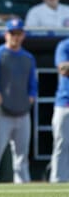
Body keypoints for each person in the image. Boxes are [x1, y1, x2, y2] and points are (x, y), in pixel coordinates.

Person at [0, 18, 38, 184]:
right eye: (12, 33)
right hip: (0, 113)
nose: (16, 37)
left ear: (23, 35)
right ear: (6, 34)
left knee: (22, 154)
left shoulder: (28, 57)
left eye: (19, 33)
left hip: (22, 112)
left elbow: (32, 82)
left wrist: (31, 97)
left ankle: (23, 185)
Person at [49, 37, 69, 182]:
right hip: (65, 104)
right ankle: (57, 181)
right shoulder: (64, 45)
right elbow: (63, 68)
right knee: (61, 144)